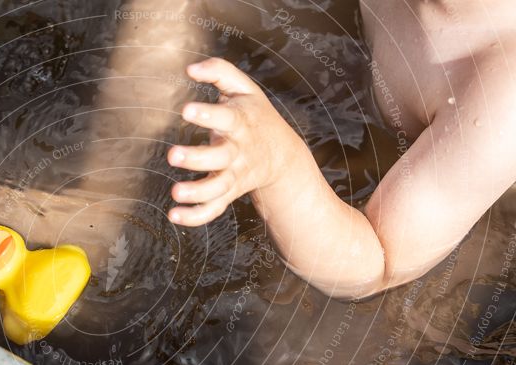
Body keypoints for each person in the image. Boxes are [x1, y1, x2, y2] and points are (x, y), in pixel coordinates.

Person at [167, 0, 516, 299]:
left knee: (334, 346)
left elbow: (377, 265)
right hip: (362, 68)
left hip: (468, 199)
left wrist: (279, 166)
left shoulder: (500, 99)